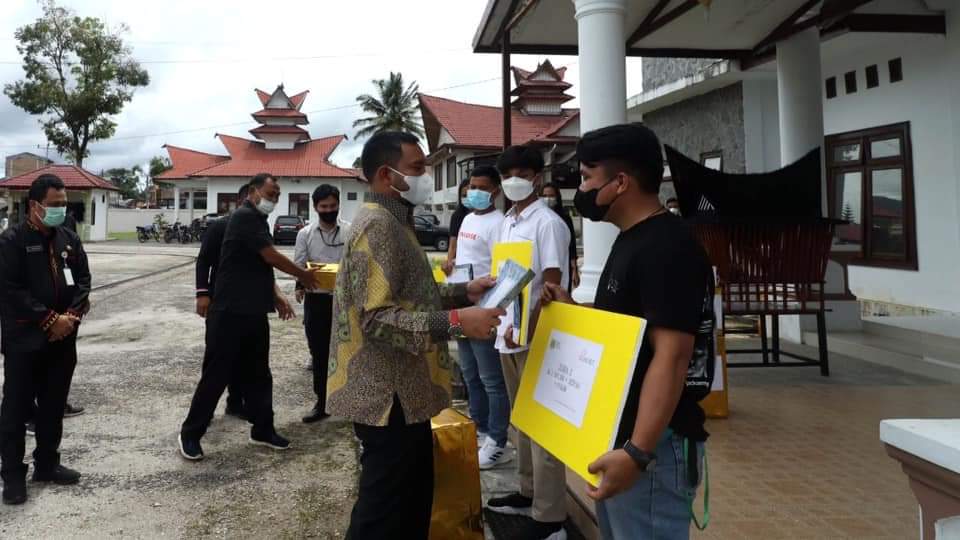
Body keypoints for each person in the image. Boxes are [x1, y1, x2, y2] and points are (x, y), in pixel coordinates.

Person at [328, 131, 504, 539]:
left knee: (409, 506)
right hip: (388, 397)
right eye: (418, 168)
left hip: (403, 395)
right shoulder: (378, 226)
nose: (426, 177)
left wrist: (462, 292)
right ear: (388, 176)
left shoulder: (394, 220)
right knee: (384, 515)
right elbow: (378, 320)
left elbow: (409, 295)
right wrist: (459, 322)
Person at [541, 124, 712, 539]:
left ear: (620, 182)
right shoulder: (632, 238)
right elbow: (627, 331)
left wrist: (637, 453)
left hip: (653, 446)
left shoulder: (667, 246)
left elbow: (671, 356)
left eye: (587, 177)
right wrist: (573, 310)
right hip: (624, 435)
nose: (581, 189)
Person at [178, 173, 321, 461]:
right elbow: (269, 256)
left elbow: (259, 265)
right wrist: (302, 274)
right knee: (216, 375)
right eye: (271, 193)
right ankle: (190, 433)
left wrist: (275, 296)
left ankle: (263, 428)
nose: (275, 199)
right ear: (253, 192)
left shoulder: (258, 221)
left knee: (259, 374)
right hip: (229, 311)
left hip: (253, 311)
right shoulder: (243, 217)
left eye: (278, 195)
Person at [487, 145, 571, 540]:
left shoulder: (547, 223)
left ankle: (550, 514)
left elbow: (552, 283)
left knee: (543, 427)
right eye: (507, 174)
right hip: (508, 333)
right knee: (521, 421)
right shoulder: (506, 221)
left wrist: (530, 331)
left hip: (536, 335)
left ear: (537, 177)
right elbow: (505, 277)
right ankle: (527, 490)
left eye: (522, 172)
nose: (513, 180)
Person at [0, 173, 91, 505]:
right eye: (55, 205)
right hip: (24, 340)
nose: (61, 210)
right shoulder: (11, 241)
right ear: (35, 205)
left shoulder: (68, 238)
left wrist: (71, 318)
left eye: (65, 204)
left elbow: (83, 279)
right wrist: (50, 318)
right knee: (16, 407)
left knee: (53, 405)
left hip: (62, 340)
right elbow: (10, 290)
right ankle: (12, 474)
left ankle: (47, 464)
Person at [452, 165, 512, 469]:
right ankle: (480, 428)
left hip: (485, 312)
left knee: (491, 380)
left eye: (481, 187)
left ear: (496, 191)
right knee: (470, 375)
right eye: (471, 186)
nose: (473, 192)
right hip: (462, 307)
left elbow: (501, 271)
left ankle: (498, 440)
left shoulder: (499, 223)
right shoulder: (466, 218)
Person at [194, 182, 250, 419]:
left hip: (247, 303)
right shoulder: (219, 227)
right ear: (240, 202)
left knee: (243, 358)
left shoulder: (258, 229)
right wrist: (202, 294)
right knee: (216, 358)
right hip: (220, 302)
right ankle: (202, 415)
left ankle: (235, 402)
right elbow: (203, 261)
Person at [294, 184, 346, 424]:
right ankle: (322, 402)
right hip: (317, 302)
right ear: (315, 207)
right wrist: (300, 284)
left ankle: (350, 400)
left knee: (348, 351)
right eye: (324, 207)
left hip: (345, 300)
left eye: (333, 206)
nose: (329, 210)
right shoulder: (305, 234)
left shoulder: (349, 231)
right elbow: (299, 264)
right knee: (319, 353)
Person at [540, 182, 580, 291]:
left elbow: (571, 246)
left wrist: (574, 270)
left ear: (557, 197)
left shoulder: (565, 219)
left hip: (562, 262)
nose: (548, 199)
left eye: (551, 195)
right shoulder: (538, 219)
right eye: (544, 196)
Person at [442, 178, 472, 275]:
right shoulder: (457, 216)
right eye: (464, 195)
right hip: (462, 267)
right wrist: (449, 264)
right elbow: (452, 245)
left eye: (470, 195)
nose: (467, 198)